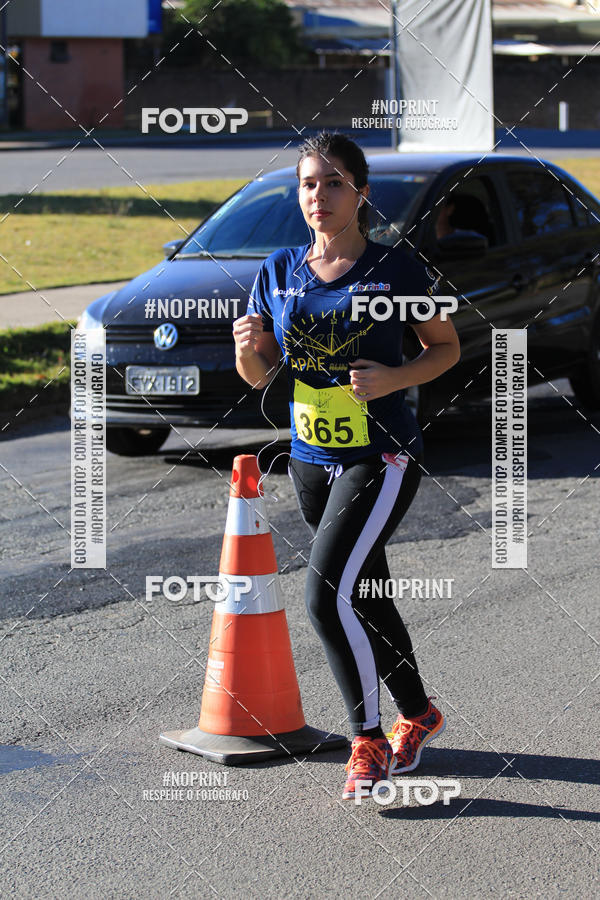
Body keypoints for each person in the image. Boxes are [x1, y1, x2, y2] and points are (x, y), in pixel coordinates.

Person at [233, 132, 460, 800]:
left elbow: (445, 348)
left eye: (333, 183)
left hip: (382, 454)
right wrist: (249, 347)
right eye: (308, 183)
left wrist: (393, 379)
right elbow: (258, 376)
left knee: (325, 595)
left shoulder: (398, 270)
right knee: (367, 594)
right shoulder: (278, 269)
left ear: (361, 194)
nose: (319, 196)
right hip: (311, 456)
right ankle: (419, 715)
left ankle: (366, 741)